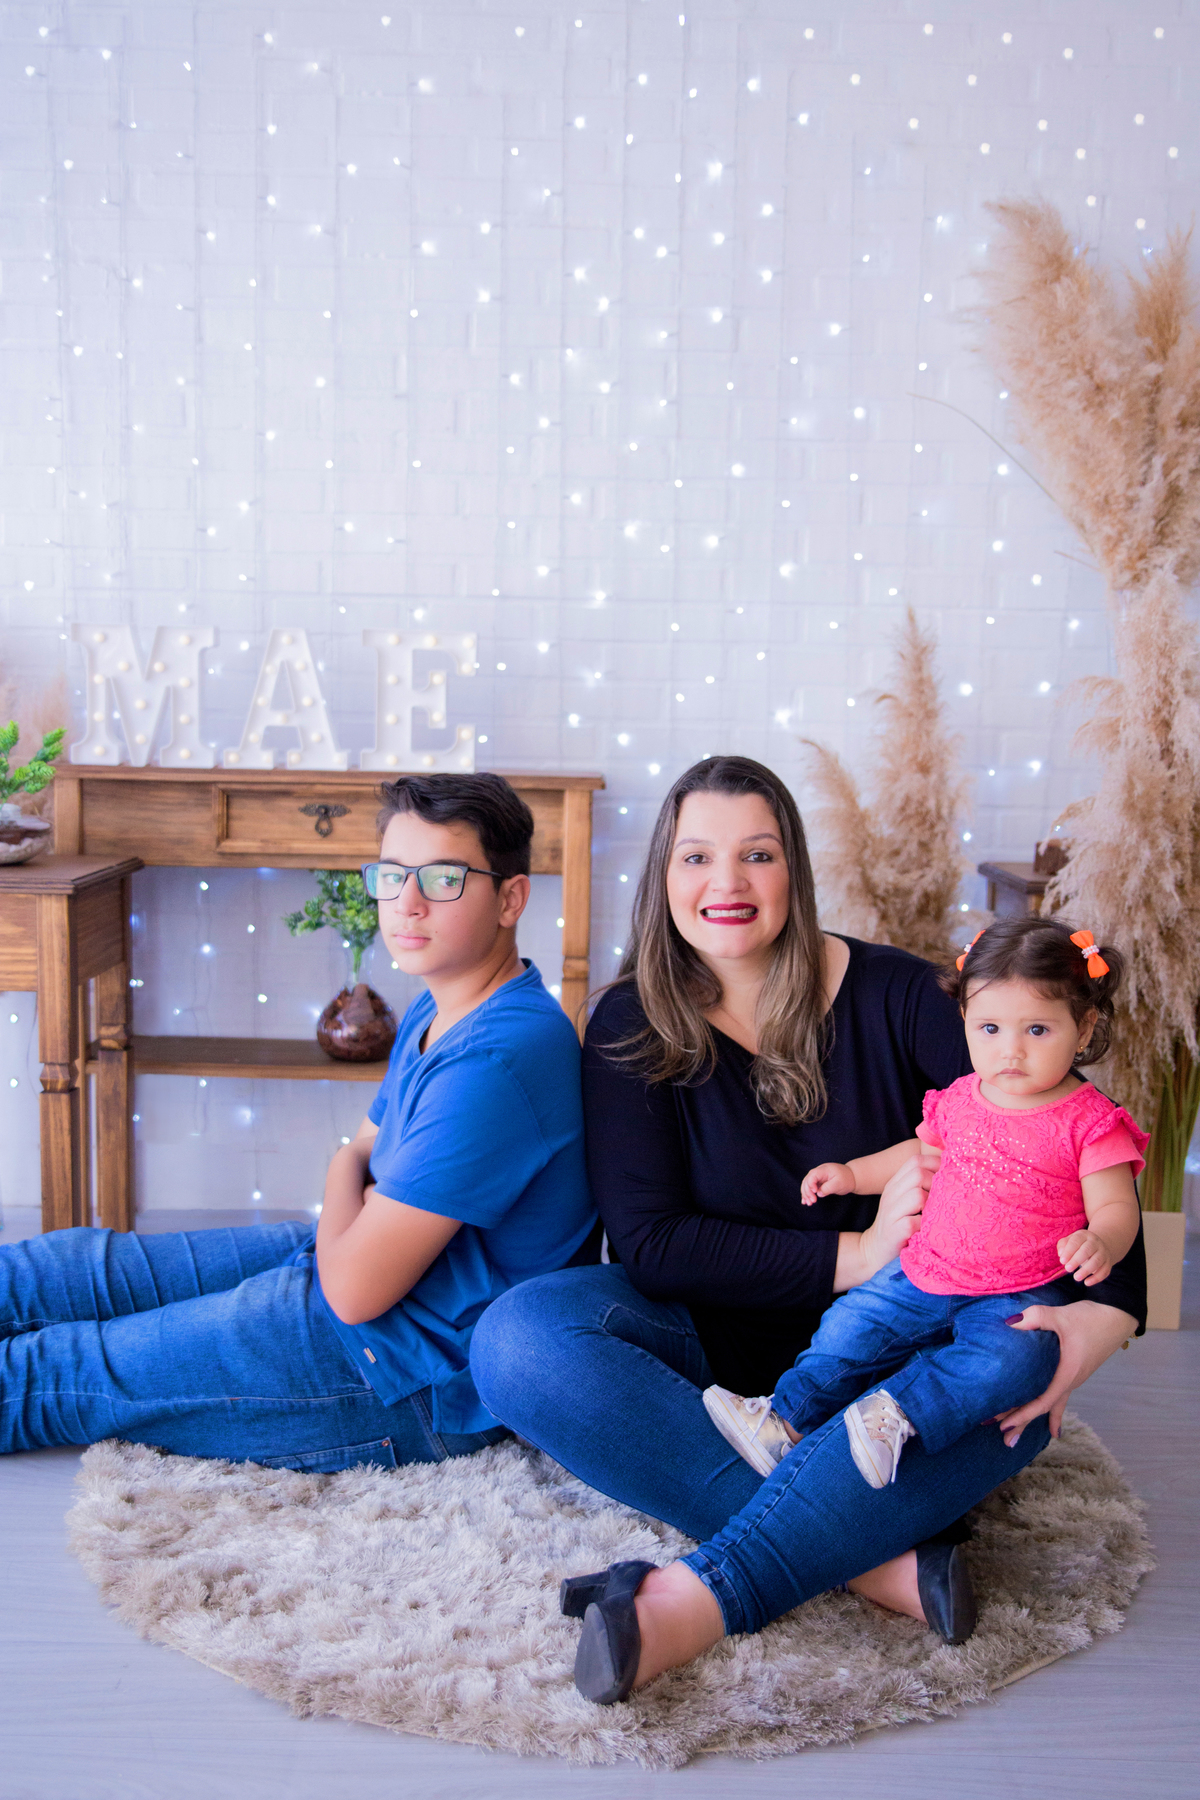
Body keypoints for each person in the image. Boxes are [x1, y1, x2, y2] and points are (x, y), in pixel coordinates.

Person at [468, 755, 1145, 1705]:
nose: (727, 884)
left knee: (1016, 1398)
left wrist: (1098, 1323)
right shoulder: (629, 1021)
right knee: (519, 1341)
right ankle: (869, 1559)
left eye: (757, 854)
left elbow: (1072, 1144)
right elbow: (652, 1244)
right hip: (707, 1356)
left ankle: (698, 1598)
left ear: (796, 870)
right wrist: (859, 1256)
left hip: (908, 1360)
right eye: (697, 856)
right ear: (663, 875)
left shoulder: (905, 997)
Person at [0, 773, 596, 1470]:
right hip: (364, 1277)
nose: (405, 904)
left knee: (57, 1368)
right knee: (75, 1268)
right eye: (392, 875)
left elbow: (353, 1284)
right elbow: (371, 1162)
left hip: (407, 1371)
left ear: (511, 897)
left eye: (442, 879)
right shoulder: (443, 1005)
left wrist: (338, 1168)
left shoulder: (503, 1054)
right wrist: (353, 1188)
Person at [703, 914, 1146, 1491]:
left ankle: (895, 1415)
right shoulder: (962, 1097)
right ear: (964, 1019)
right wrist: (853, 1173)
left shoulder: (1090, 1121)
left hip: (1019, 1289)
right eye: (989, 1028)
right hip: (925, 1269)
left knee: (1014, 1361)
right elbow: (919, 1151)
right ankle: (782, 1420)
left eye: (1037, 1031)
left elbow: (1117, 1207)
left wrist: (1102, 1239)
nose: (1009, 1051)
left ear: (1084, 1028)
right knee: (851, 1324)